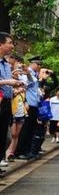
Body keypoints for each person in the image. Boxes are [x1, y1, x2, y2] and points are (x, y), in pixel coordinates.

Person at [0, 33, 25, 168]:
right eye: (9, 43)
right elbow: (3, 82)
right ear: (0, 44)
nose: (12, 46)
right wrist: (7, 81)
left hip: (7, 102)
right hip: (0, 100)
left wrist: (14, 84)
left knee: (5, 135)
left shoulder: (5, 64)